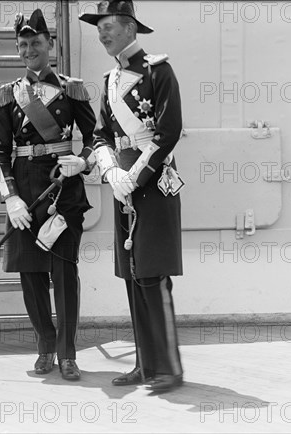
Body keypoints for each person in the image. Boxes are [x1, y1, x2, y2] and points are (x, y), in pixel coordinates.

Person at [79, 0, 185, 392]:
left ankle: (170, 368)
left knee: (153, 277)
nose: (102, 34)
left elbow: (168, 132)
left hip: (152, 185)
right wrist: (109, 171)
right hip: (121, 185)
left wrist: (133, 177)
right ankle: (145, 365)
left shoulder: (159, 71)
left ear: (129, 28)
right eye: (99, 28)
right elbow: (101, 136)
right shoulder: (108, 81)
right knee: (132, 276)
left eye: (107, 26)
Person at [0, 9, 96, 381]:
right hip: (24, 193)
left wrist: (82, 163)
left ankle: (68, 354)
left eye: (36, 43)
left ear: (50, 44)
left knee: (64, 273)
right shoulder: (8, 96)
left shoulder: (73, 89)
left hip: (63, 191)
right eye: (23, 44)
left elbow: (96, 139)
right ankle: (45, 347)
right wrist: (12, 199)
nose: (29, 50)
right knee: (31, 276)